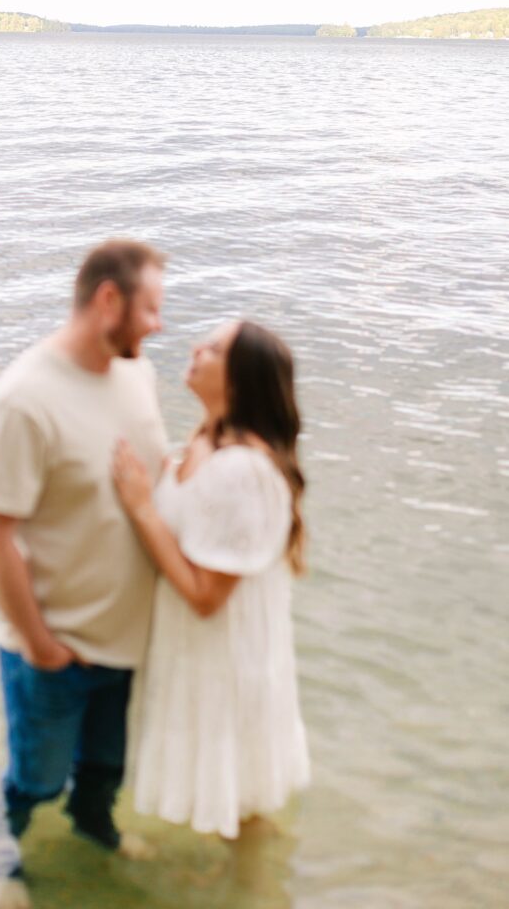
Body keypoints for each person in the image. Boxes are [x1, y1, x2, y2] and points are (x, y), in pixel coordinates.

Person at [0, 239, 168, 902]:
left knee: (102, 771)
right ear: (108, 299)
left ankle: (94, 833)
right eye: (151, 308)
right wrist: (40, 646)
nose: (157, 325)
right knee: (36, 781)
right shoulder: (24, 399)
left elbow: (149, 481)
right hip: (54, 648)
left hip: (123, 641)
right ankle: (2, 862)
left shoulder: (137, 372)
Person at [112, 320, 310, 843]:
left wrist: (140, 509)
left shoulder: (242, 469)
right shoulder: (205, 439)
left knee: (239, 801)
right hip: (200, 653)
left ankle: (253, 891)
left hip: (226, 656)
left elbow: (205, 597)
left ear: (241, 378)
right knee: (227, 790)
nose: (197, 348)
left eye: (215, 348)